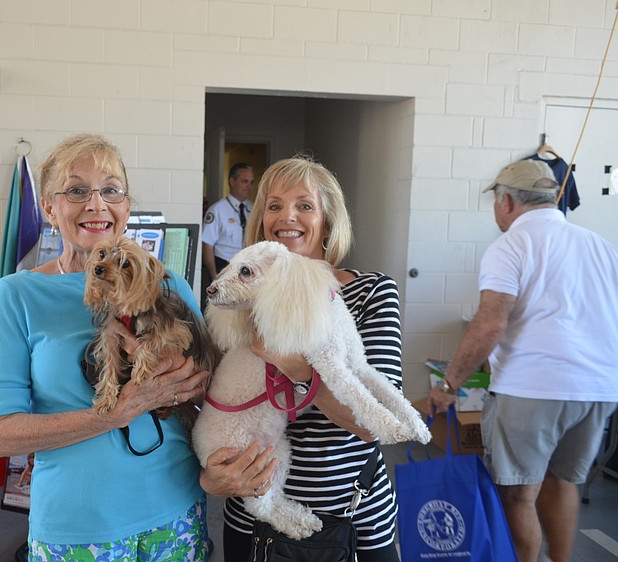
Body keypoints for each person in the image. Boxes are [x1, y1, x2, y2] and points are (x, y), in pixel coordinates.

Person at [0, 133, 215, 561]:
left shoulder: (168, 284)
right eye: (76, 191)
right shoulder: (17, 294)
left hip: (175, 504)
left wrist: (179, 380)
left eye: (110, 190)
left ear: (126, 206)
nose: (96, 204)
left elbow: (206, 387)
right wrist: (116, 412)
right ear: (50, 208)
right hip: (79, 523)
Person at [200, 155, 402, 562]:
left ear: (328, 222)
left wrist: (291, 362)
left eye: (304, 205)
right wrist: (210, 477)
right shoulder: (237, 295)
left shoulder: (370, 294)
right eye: (273, 205)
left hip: (352, 517)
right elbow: (208, 403)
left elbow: (375, 423)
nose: (286, 216)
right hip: (254, 516)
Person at [427, 159, 618, 562]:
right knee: (562, 481)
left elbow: (490, 324)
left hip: (534, 387)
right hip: (598, 388)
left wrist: (449, 386)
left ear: (507, 201)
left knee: (517, 492)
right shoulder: (601, 245)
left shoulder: (512, 244)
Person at [202, 162, 254, 282]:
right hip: (224, 266)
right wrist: (214, 276)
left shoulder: (253, 209)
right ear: (232, 181)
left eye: (252, 182)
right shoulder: (217, 210)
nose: (249, 186)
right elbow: (208, 245)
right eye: (245, 181)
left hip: (248, 269)